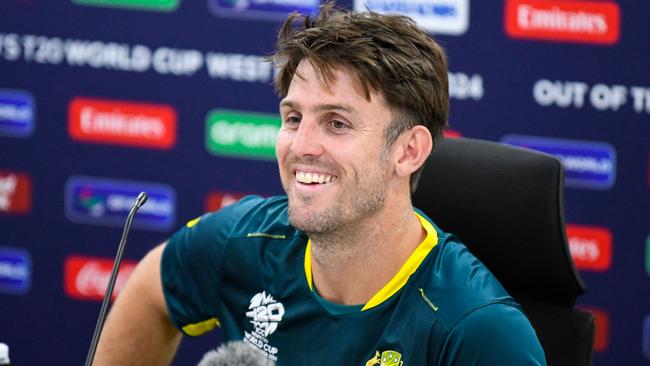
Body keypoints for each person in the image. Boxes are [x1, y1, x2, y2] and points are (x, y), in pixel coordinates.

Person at [94, 3, 546, 365]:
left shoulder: (477, 331)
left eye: (336, 123)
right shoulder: (243, 239)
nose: (301, 146)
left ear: (408, 151)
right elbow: (152, 292)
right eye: (293, 118)